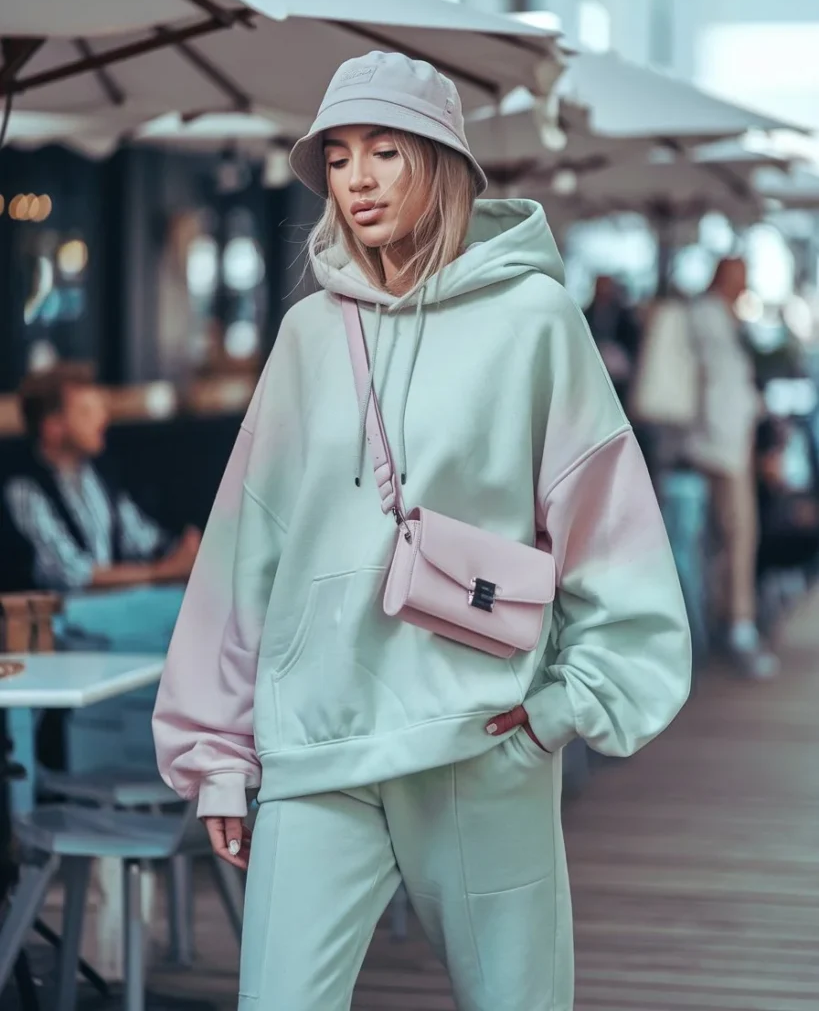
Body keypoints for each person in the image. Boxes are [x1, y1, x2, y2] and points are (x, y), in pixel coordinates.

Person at [153, 52, 691, 1011]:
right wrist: (219, 759)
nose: (357, 178)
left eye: (386, 152)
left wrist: (561, 711)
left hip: (477, 743)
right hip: (317, 749)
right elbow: (245, 553)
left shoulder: (534, 321)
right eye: (339, 157)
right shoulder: (309, 337)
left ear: (439, 163)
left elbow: (609, 530)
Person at [3, 364, 201, 593]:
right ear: (53, 427)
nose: (102, 420)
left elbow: (140, 536)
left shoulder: (99, 477)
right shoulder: (24, 489)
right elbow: (72, 573)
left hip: (110, 610)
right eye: (86, 412)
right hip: (59, 619)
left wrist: (183, 549)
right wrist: (163, 572)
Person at [682, 258, 777, 678]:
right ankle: (736, 623)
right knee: (737, 534)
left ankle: (728, 619)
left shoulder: (715, 317)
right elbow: (720, 387)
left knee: (723, 538)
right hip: (719, 446)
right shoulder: (707, 318)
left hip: (717, 443)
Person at [583, 274, 642, 404]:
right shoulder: (584, 315)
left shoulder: (625, 318)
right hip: (592, 375)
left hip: (618, 380)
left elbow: (633, 343)